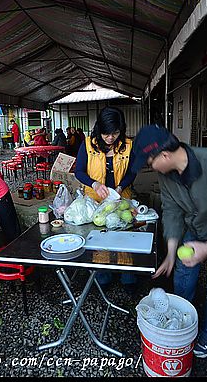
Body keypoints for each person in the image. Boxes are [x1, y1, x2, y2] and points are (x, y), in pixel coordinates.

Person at [130, 124, 207, 359]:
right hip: (195, 226)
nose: (150, 167)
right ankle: (180, 320)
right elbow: (173, 211)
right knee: (183, 274)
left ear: (164, 155)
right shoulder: (166, 175)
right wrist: (170, 251)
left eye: (149, 162)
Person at [74, 106, 138, 292]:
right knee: (99, 237)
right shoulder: (87, 144)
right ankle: (103, 276)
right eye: (106, 134)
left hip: (121, 199)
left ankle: (128, 277)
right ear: (99, 129)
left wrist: (119, 187)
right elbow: (79, 171)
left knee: (124, 236)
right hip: (95, 200)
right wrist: (94, 184)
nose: (110, 138)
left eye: (115, 133)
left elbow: (133, 172)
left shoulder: (128, 145)